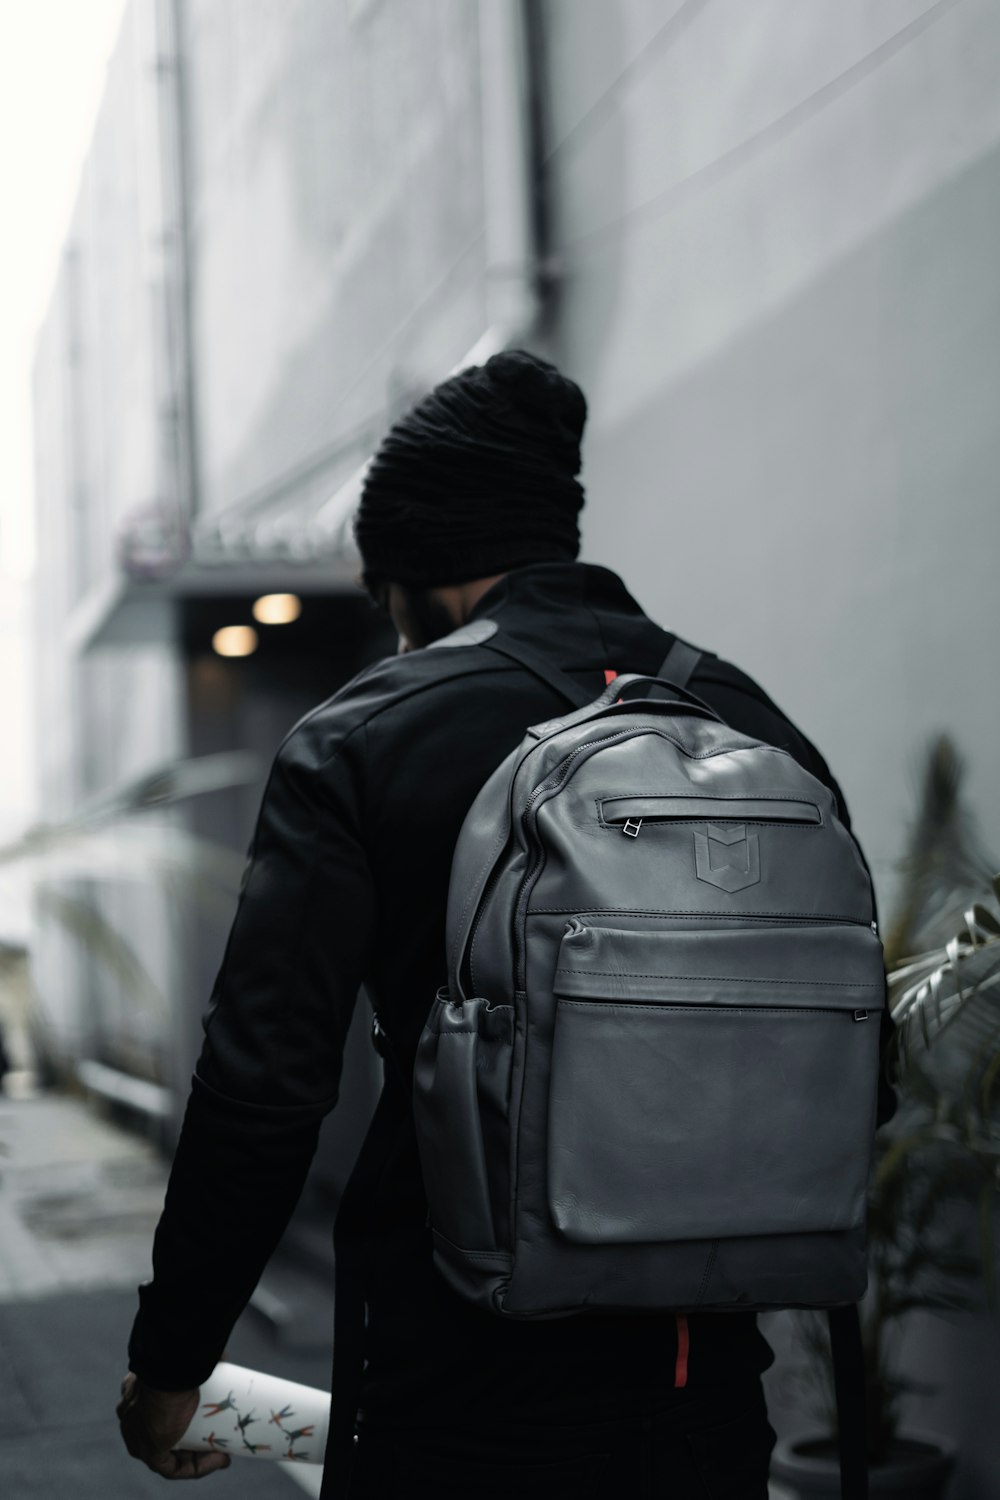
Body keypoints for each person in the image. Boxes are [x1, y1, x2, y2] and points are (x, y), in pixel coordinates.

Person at [118, 349, 896, 1496]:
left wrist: (173, 1360)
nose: (396, 639)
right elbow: (854, 1062)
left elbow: (263, 1088)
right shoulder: (747, 723)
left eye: (389, 605)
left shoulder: (362, 735)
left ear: (422, 577)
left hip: (450, 1401)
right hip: (708, 1403)